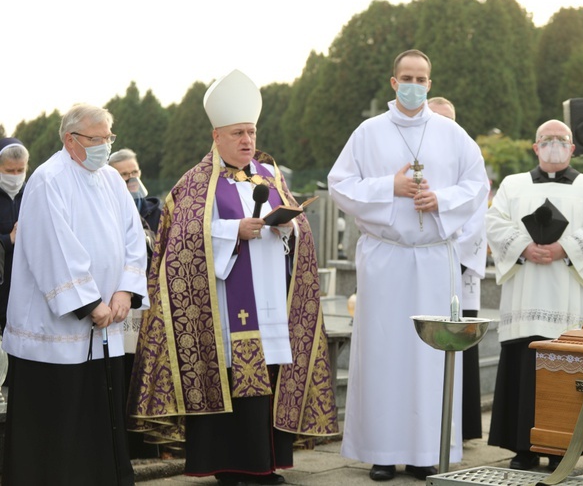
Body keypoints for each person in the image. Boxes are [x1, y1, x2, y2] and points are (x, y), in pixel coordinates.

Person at [128, 69, 338, 486]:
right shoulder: (195, 183)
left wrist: (288, 228)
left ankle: (266, 464)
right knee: (232, 377)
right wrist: (230, 231)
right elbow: (180, 239)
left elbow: (301, 233)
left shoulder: (271, 176)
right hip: (224, 307)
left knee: (271, 375)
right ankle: (230, 465)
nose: (247, 140)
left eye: (252, 132)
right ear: (216, 136)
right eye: (238, 132)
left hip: (272, 300)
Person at [328, 49, 489, 482]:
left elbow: (477, 184)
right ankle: (382, 452)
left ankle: (424, 452)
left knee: (429, 354)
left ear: (430, 84)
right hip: (386, 257)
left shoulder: (453, 134)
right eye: (407, 77)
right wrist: (390, 187)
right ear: (394, 81)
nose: (415, 84)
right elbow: (339, 184)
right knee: (383, 351)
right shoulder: (368, 132)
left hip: (434, 257)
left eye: (422, 77)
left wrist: (442, 200)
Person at [1, 104, 149, 485]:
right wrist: (91, 304)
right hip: (56, 334)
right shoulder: (49, 179)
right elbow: (53, 249)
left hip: (107, 323)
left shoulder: (112, 180)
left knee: (101, 424)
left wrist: (124, 292)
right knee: (59, 428)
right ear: (70, 139)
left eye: (108, 138)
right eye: (96, 139)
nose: (104, 146)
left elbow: (134, 237)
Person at [485, 119, 583, 470]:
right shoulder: (513, 185)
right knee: (522, 366)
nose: (554, 144)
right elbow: (494, 222)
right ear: (535, 146)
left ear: (573, 148)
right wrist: (525, 247)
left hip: (567, 296)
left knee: (565, 369)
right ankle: (521, 447)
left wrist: (565, 248)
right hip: (524, 297)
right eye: (547, 139)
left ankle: (561, 449)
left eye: (562, 139)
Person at [427, 96, 486, 441]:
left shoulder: (467, 161)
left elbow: (475, 219)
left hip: (456, 271)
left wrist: (445, 256)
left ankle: (458, 426)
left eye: (450, 120)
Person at [108, 148, 164, 459]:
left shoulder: (156, 211)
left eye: (134, 173)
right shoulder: (105, 209)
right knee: (124, 372)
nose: (131, 179)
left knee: (149, 372)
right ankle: (124, 446)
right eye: (123, 174)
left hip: (152, 306)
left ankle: (150, 441)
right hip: (121, 303)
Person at [0, 138, 28, 335]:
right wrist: (8, 239)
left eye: (20, 170)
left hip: (25, 290)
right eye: (10, 171)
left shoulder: (33, 192)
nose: (16, 176)